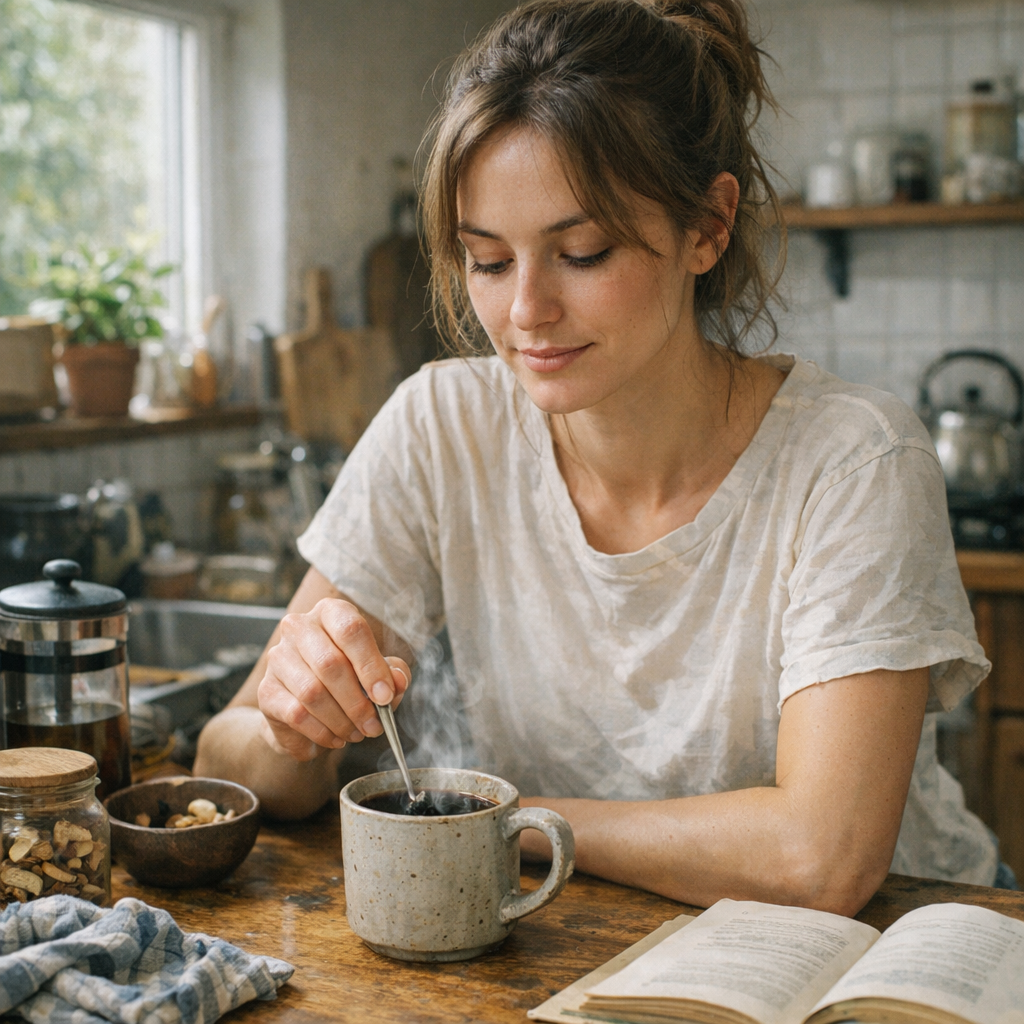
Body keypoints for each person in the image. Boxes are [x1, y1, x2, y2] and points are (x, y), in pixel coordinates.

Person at [195, 0, 999, 913]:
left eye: (582, 252)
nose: (526, 310)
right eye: (488, 262)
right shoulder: (439, 425)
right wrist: (294, 723)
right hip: (578, 932)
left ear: (708, 225)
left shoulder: (854, 460)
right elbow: (226, 760)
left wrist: (492, 817)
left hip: (899, 948)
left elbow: (820, 859)